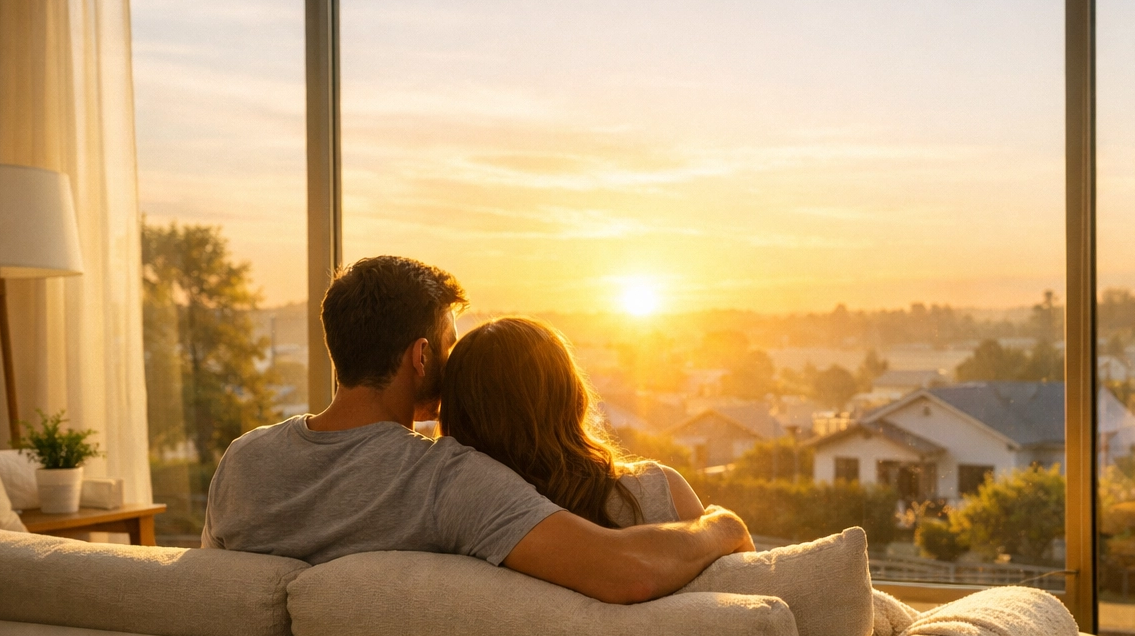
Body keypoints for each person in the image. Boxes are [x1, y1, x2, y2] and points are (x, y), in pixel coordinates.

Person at [202, 256, 751, 603]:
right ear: (421, 357)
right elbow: (623, 572)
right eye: (448, 345)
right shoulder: (446, 479)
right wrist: (720, 527)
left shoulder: (243, 461)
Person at [437, 316, 703, 532]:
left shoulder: (455, 516)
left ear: (457, 412)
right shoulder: (659, 491)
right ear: (573, 395)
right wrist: (725, 526)